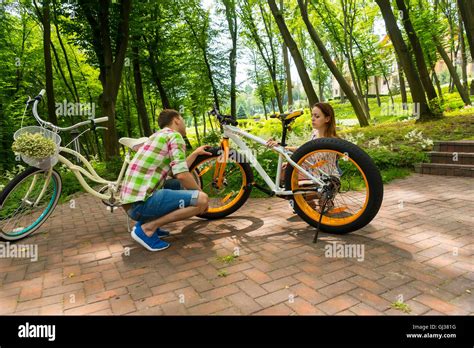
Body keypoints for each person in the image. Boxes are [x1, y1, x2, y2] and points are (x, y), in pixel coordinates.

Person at [120, 109, 212, 252]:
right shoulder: (175, 136)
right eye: (183, 120)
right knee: (201, 200)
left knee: (176, 185)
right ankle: (148, 228)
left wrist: (194, 154)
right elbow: (182, 174)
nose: (185, 125)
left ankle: (145, 223)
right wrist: (200, 195)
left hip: (131, 205)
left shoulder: (156, 137)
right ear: (176, 120)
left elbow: (175, 172)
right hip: (140, 205)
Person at [266, 102, 341, 211]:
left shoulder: (332, 141)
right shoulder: (315, 133)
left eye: (317, 116)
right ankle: (307, 203)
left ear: (327, 119)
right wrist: (281, 146)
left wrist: (294, 162)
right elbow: (304, 150)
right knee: (284, 169)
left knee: (290, 173)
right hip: (313, 173)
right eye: (312, 115)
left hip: (327, 180)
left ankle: (324, 198)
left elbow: (311, 158)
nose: (312, 119)